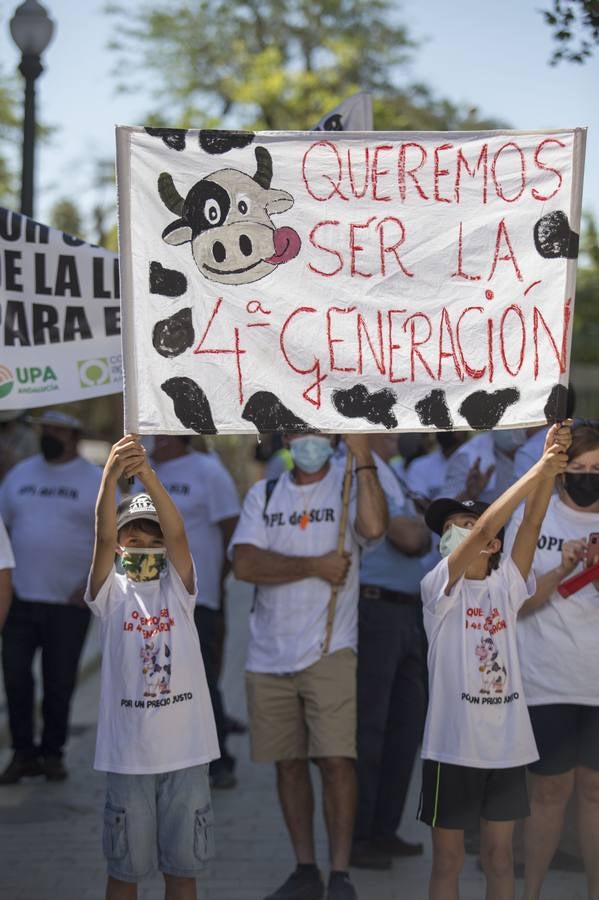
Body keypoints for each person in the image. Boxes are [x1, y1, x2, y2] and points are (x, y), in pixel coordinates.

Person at [231, 432, 388, 900]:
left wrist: (363, 457)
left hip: (330, 648)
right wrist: (314, 565)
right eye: (300, 431)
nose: (308, 441)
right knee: (288, 765)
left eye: (318, 431)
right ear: (286, 437)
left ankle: (339, 872)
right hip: (268, 652)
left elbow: (376, 528)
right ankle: (305, 868)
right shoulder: (266, 492)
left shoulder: (349, 483)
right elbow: (244, 563)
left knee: (337, 761)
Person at [418, 422, 570, 900]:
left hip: (506, 747)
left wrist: (549, 462)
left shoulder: (507, 585)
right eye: (449, 531)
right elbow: (490, 523)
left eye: (464, 529)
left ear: (493, 548)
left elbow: (532, 524)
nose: (456, 537)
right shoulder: (438, 589)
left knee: (500, 857)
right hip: (451, 748)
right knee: (448, 861)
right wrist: (539, 470)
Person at [87, 434, 218, 900]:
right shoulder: (109, 595)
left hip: (185, 755)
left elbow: (179, 533)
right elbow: (101, 535)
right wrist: (109, 476)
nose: (143, 546)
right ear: (120, 545)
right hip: (128, 759)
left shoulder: (180, 593)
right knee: (125, 872)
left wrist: (147, 474)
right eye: (133, 538)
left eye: (152, 539)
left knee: (182, 873)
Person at [508, 422, 599, 900]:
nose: (588, 477)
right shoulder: (534, 517)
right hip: (546, 679)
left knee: (594, 795)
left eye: (597, 469)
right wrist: (563, 568)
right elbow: (514, 602)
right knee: (547, 795)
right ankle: (532, 893)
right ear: (562, 472)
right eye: (579, 468)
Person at [0, 410, 101, 784]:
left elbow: (115, 537)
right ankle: (23, 753)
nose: (49, 435)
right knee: (15, 679)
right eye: (46, 429)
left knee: (59, 682)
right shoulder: (19, 476)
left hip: (69, 603)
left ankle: (53, 753)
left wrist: (91, 584)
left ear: (75, 435)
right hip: (20, 599)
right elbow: (4, 529)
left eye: (58, 430)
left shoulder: (96, 479)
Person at [351, 434, 431, 870]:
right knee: (372, 730)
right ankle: (359, 836)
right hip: (375, 609)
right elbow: (408, 537)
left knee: (404, 728)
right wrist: (423, 523)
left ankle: (384, 830)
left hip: (405, 612)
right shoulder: (363, 471)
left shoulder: (391, 471)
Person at [144, 435, 240, 789]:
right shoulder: (144, 474)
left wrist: (213, 581)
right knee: (157, 680)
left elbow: (232, 532)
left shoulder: (209, 472)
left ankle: (219, 761)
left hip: (199, 601)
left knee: (201, 681)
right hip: (152, 602)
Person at [440, 428, 528, 505]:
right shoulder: (468, 456)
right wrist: (468, 494)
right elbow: (442, 509)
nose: (510, 426)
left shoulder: (536, 448)